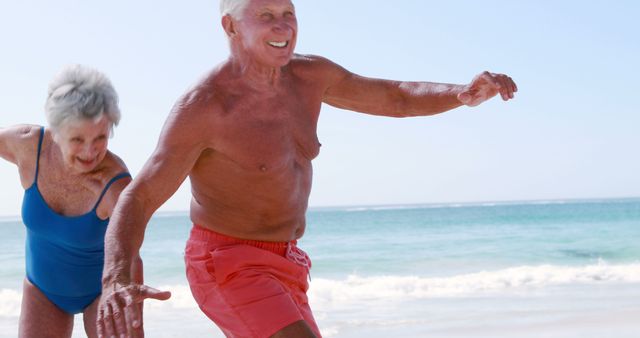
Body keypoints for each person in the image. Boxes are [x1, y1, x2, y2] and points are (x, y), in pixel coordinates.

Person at [97, 0, 518, 337]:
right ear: (230, 27)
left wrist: (460, 93)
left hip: (289, 260)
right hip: (226, 262)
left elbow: (396, 97)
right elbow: (142, 194)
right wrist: (115, 276)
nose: (283, 26)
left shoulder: (309, 76)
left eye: (288, 14)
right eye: (266, 16)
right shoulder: (207, 106)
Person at [0, 65, 141, 338]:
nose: (90, 152)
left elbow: (130, 253)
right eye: (77, 139)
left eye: (100, 137)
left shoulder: (116, 184)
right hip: (42, 290)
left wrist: (131, 309)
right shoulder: (28, 147)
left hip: (102, 292)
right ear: (55, 130)